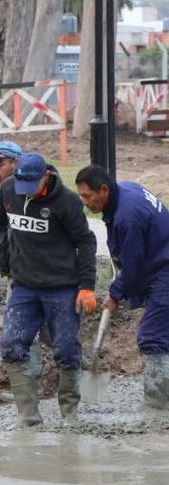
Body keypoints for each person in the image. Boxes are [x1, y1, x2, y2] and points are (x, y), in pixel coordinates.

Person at [0, 152, 97, 427]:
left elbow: (86, 242)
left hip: (61, 287)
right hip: (24, 284)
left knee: (65, 350)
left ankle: (69, 415)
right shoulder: (9, 189)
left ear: (45, 176)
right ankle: (28, 417)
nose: (27, 192)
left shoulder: (67, 202)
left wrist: (87, 287)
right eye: (22, 185)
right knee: (12, 345)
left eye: (32, 186)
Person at [75, 165, 169, 411]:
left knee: (152, 337)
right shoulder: (125, 191)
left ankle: (158, 406)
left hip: (164, 270)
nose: (84, 202)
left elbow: (132, 263)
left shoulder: (128, 215)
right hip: (159, 259)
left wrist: (116, 293)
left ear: (104, 190)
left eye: (87, 196)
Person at [0, 141, 51, 401]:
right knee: (35, 332)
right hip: (17, 275)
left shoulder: (36, 195)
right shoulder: (6, 192)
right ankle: (32, 388)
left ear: (16, 163)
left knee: (32, 332)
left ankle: (34, 389)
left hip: (38, 278)